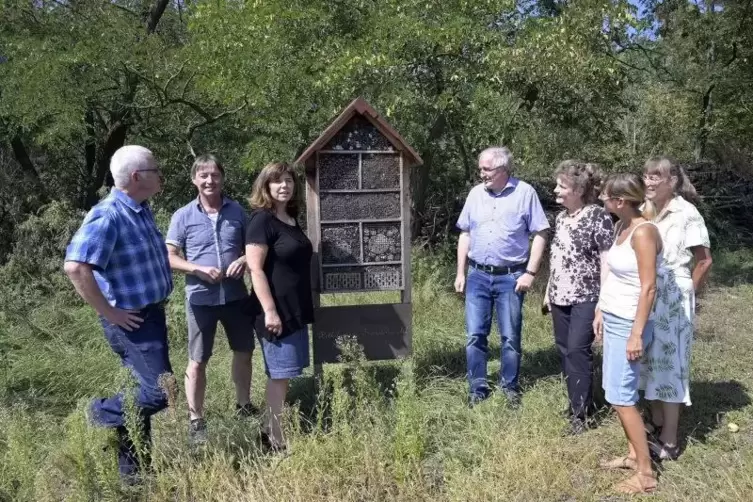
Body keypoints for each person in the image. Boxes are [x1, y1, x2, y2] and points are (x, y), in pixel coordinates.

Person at [64, 145, 173, 481]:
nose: (161, 175)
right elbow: (75, 266)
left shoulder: (140, 209)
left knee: (137, 389)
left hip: (150, 315)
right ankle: (95, 412)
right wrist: (110, 313)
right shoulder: (109, 214)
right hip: (132, 321)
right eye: (155, 170)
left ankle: (134, 474)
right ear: (138, 177)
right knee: (159, 392)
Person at [165, 154, 256, 444]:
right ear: (194, 180)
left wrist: (243, 259)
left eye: (215, 175)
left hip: (236, 295)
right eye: (203, 175)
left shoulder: (237, 211)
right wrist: (198, 269)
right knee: (198, 359)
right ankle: (196, 419)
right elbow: (169, 257)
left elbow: (254, 247)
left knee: (243, 351)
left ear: (222, 178)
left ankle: (243, 405)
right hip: (200, 298)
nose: (209, 181)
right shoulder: (182, 216)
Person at [455, 146, 550, 408]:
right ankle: (478, 388)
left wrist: (530, 273)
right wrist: (460, 272)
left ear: (502, 170)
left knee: (510, 336)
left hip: (511, 277)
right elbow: (465, 233)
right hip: (477, 275)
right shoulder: (475, 194)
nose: (481, 174)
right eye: (480, 169)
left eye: (486, 169)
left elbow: (541, 233)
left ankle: (510, 387)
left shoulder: (525, 193)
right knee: (475, 334)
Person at [640, 157, 712, 460]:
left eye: (657, 176)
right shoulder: (645, 210)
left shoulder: (687, 213)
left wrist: (687, 294)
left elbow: (704, 259)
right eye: (646, 175)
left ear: (673, 181)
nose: (650, 181)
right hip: (646, 293)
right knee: (647, 361)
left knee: (669, 366)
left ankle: (670, 440)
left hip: (672, 296)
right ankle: (656, 422)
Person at [595, 173, 663, 494]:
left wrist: (636, 334)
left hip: (629, 324)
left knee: (623, 398)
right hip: (614, 317)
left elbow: (649, 287)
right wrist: (600, 310)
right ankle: (635, 455)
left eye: (605, 197)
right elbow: (617, 277)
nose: (602, 201)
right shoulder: (621, 226)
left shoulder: (644, 232)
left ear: (620, 201)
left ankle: (646, 475)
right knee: (615, 391)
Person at [245, 161, 313, 451]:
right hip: (275, 312)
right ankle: (274, 439)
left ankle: (266, 429)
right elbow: (255, 269)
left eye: (288, 180)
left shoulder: (292, 219)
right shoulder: (262, 220)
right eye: (277, 181)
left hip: (294, 308)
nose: (284, 186)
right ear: (266, 186)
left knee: (283, 375)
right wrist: (270, 311)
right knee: (280, 375)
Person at [544, 160, 614, 434]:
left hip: (587, 296)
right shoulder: (561, 218)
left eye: (561, 186)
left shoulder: (598, 216)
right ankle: (579, 402)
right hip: (560, 295)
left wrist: (603, 302)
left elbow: (606, 260)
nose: (556, 190)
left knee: (577, 350)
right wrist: (549, 291)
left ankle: (580, 416)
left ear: (578, 189)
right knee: (564, 351)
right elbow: (558, 256)